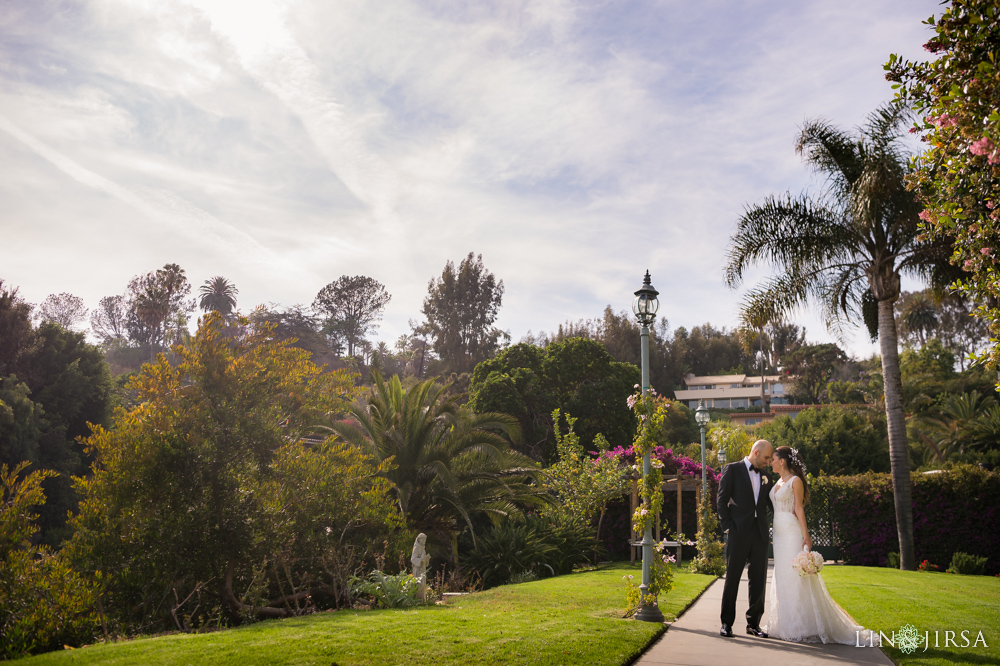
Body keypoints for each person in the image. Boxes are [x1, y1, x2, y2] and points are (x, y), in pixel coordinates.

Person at [765, 446, 871, 644]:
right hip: (779, 535)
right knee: (782, 576)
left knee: (795, 576)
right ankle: (785, 623)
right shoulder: (777, 481)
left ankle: (801, 625)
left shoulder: (795, 481)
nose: (770, 462)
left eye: (773, 459)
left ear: (782, 461)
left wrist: (806, 535)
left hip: (791, 533)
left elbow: (798, 508)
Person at [717, 439, 773, 638]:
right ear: (756, 452)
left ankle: (754, 624)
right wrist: (728, 528)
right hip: (738, 533)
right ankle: (726, 623)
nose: (768, 461)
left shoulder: (766, 476)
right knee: (732, 578)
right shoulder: (732, 469)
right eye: (766, 457)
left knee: (758, 580)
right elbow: (721, 500)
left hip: (760, 535)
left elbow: (771, 505)